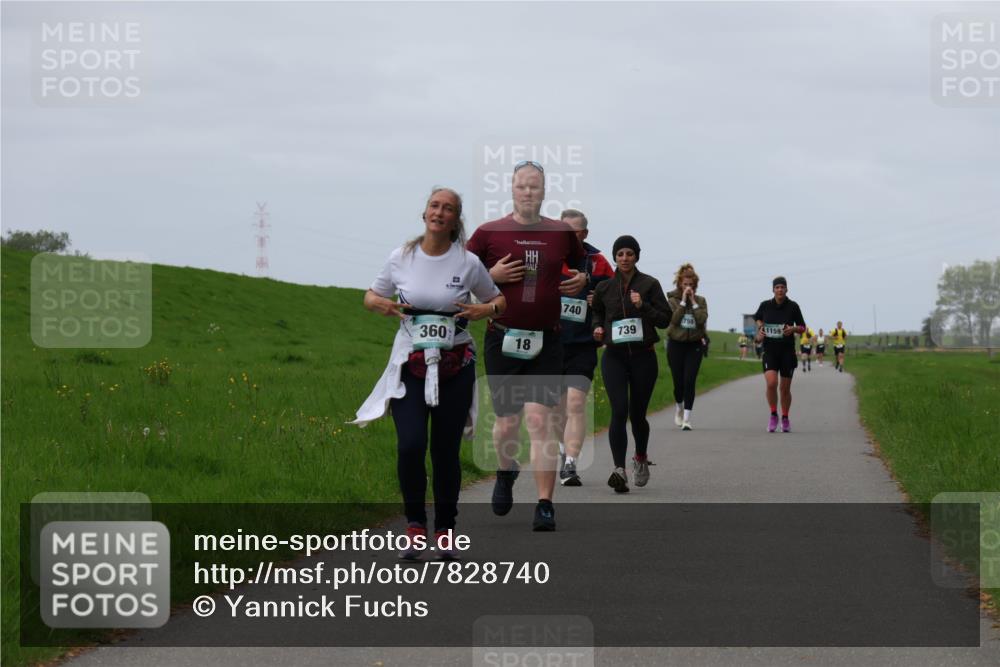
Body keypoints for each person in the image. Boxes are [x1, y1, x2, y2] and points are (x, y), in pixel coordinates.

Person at [352, 187, 506, 560]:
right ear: (425, 214)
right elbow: (370, 297)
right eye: (434, 206)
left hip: (455, 365)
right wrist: (383, 305)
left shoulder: (468, 262)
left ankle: (446, 529)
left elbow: (499, 300)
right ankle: (415, 525)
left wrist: (483, 312)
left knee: (444, 452)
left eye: (448, 208)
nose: (439, 212)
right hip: (410, 366)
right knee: (410, 445)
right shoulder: (400, 258)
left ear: (456, 220)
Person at [467, 161, 587, 531]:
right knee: (506, 424)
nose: (528, 192)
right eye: (522, 186)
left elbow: (583, 266)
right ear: (512, 189)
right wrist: (491, 277)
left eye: (534, 186)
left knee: (539, 419)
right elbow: (459, 278)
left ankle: (545, 504)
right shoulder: (488, 233)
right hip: (501, 336)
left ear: (545, 191)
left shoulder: (561, 232)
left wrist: (580, 278)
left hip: (547, 339)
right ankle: (506, 472)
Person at [591, 235, 671, 492]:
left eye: (629, 253)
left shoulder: (650, 284)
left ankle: (640, 457)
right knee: (619, 410)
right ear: (614, 257)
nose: (624, 258)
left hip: (643, 356)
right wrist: (597, 329)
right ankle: (618, 470)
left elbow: (664, 320)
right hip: (614, 356)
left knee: (637, 415)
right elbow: (598, 314)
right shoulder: (604, 287)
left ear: (637, 256)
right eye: (620, 254)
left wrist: (643, 305)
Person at [551, 209, 613, 487]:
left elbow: (616, 291)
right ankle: (563, 449)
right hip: (549, 344)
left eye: (573, 232)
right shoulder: (546, 258)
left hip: (582, 345)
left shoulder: (598, 263)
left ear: (584, 234)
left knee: (576, 403)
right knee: (556, 409)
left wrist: (595, 293)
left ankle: (570, 464)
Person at [753, 276, 807, 433]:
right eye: (777, 287)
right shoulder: (765, 305)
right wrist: (761, 327)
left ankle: (785, 417)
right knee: (771, 383)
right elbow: (757, 317)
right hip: (770, 350)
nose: (780, 290)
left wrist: (793, 329)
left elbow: (803, 327)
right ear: (773, 289)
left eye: (782, 287)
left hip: (787, 352)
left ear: (786, 289)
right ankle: (773, 414)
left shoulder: (793, 306)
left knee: (784, 388)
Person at [665, 263, 708, 431]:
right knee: (678, 382)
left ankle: (687, 419)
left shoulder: (701, 301)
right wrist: (683, 301)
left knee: (690, 381)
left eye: (691, 285)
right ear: (680, 284)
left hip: (694, 345)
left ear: (695, 285)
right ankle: (679, 407)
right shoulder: (672, 301)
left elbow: (701, 319)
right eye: (685, 284)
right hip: (675, 344)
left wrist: (693, 302)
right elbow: (674, 320)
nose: (688, 287)